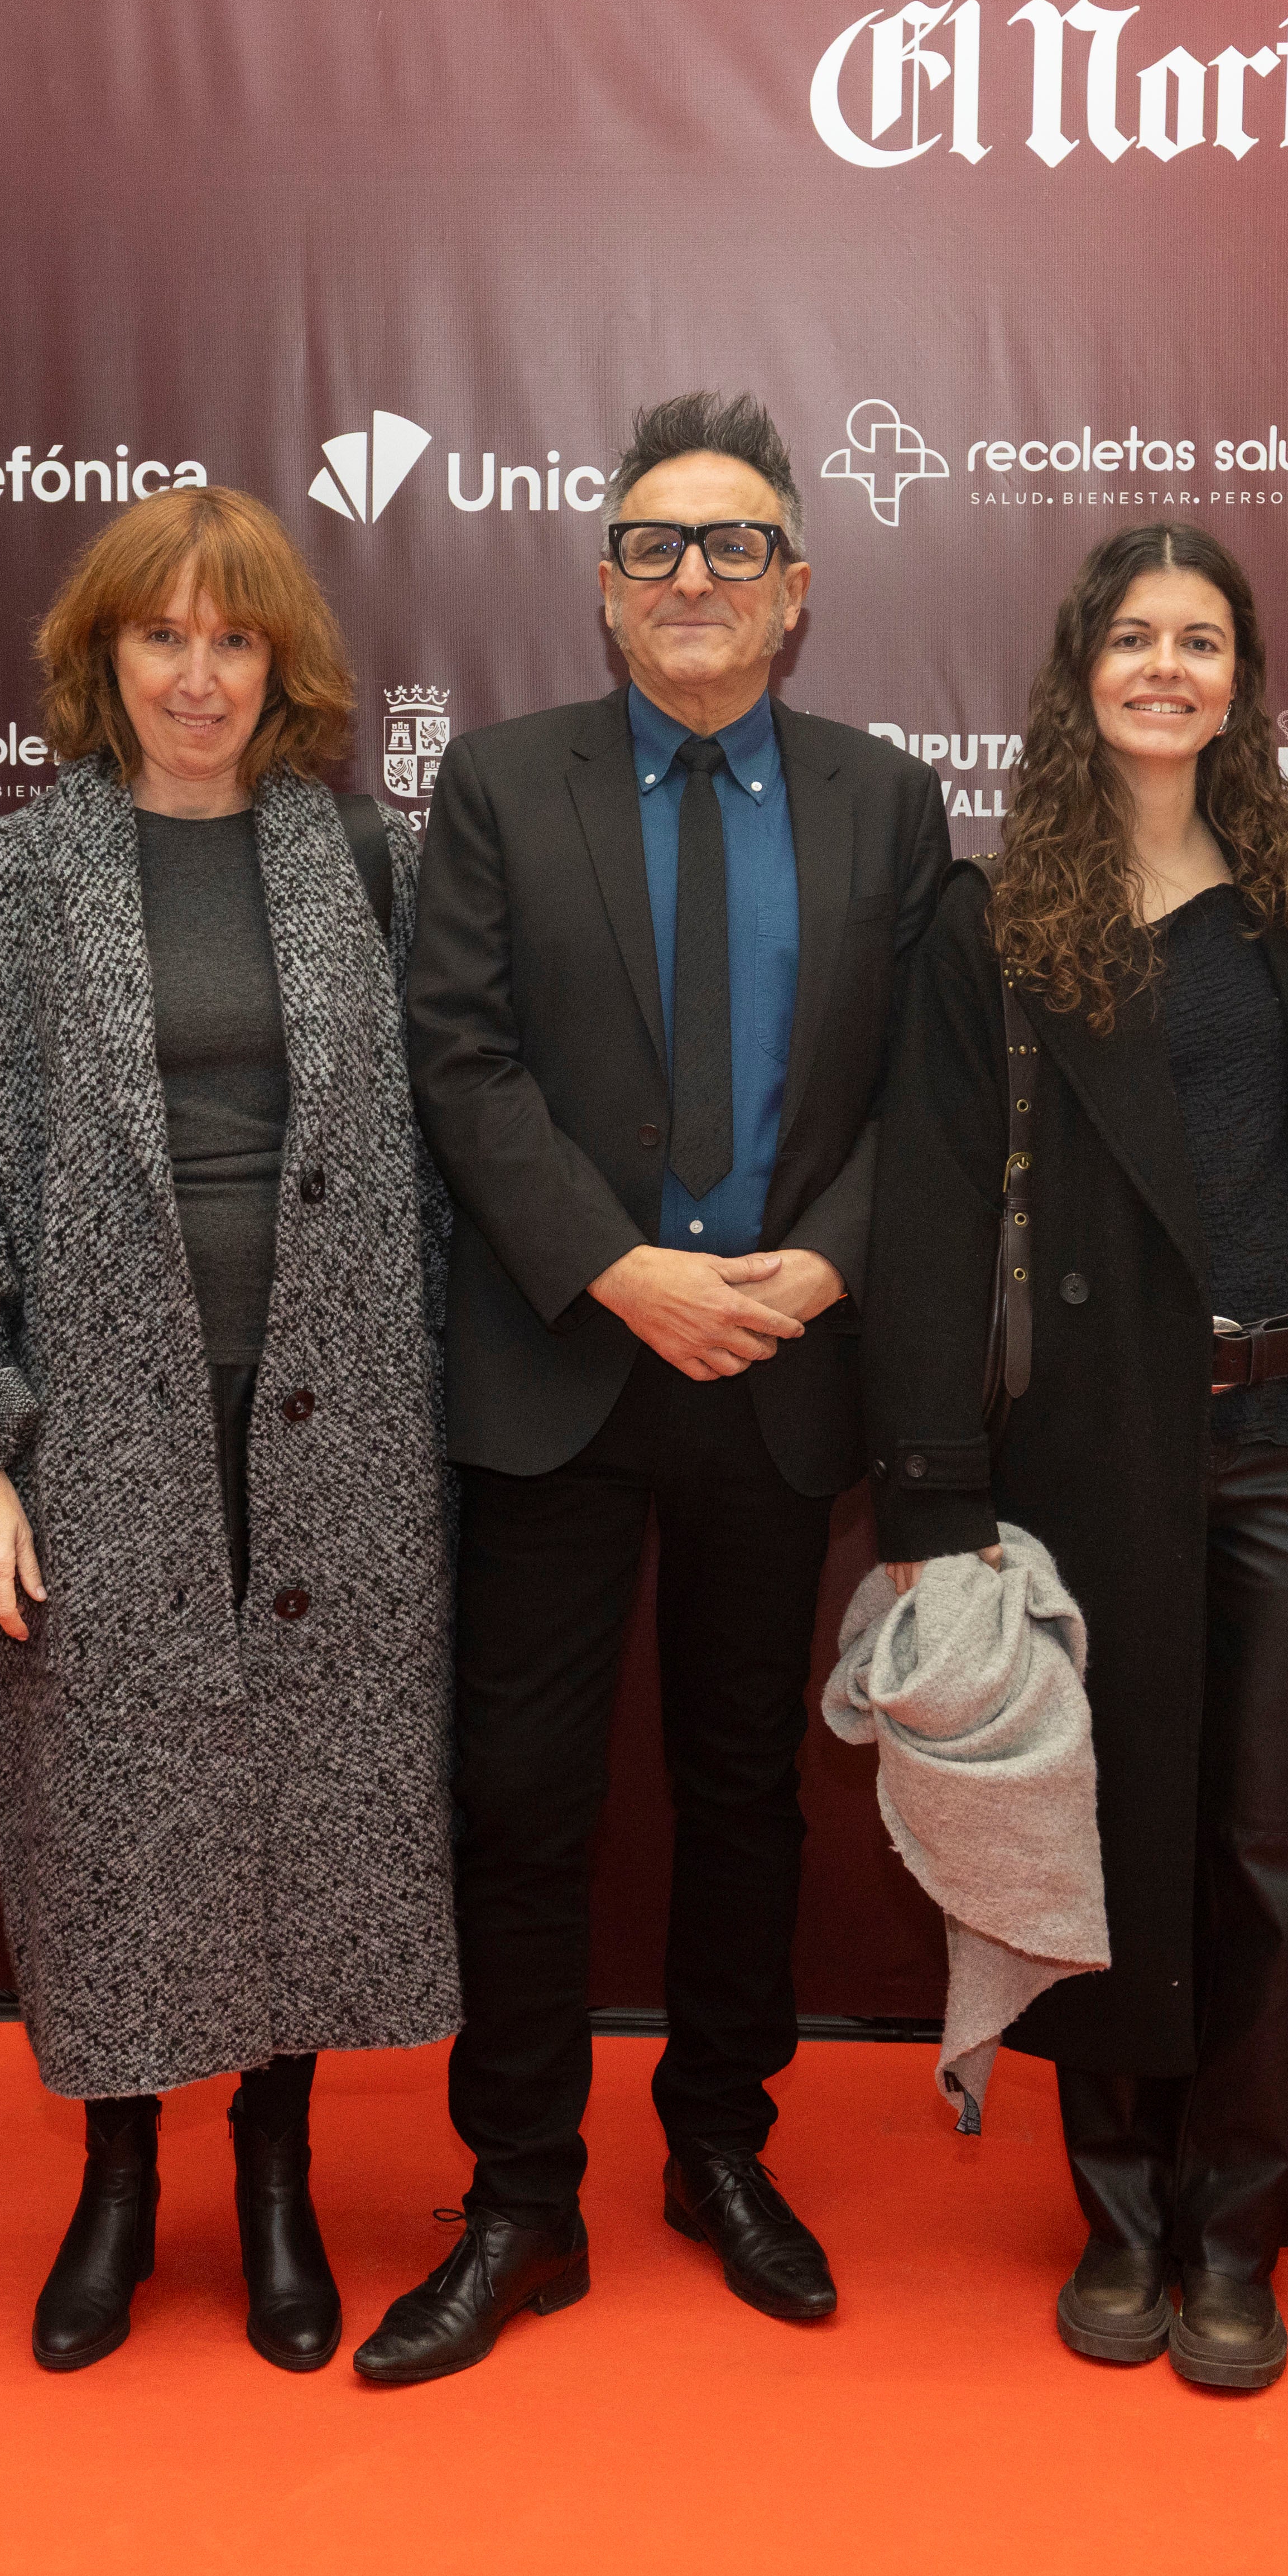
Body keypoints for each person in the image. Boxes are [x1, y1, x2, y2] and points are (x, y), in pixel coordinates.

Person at [377, 391, 953, 2383]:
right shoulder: (499, 788)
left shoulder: (885, 801)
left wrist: (833, 1259)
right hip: (563, 1362)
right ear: (601, 591)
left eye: (729, 549)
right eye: (650, 548)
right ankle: (519, 2190)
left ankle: (719, 2140)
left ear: (795, 594)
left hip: (782, 1372)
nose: (688, 578)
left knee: (742, 1793)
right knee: (522, 1798)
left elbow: (923, 1089)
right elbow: (453, 1055)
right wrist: (619, 1272)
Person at [0, 484, 458, 2377]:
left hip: (337, 1418)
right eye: (162, 636)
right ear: (102, 658)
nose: (198, 675)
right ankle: (119, 2179)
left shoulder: (364, 866)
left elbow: (442, 1163)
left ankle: (279, 2174)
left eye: (234, 639)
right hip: (96, 1422)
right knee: (112, 1806)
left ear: (281, 664)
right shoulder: (7, 881)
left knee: (303, 1787)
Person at [865, 522, 1288, 2393]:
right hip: (1086, 1442)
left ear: (1243, 680)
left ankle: (1237, 2230)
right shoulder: (993, 920)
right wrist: (928, 1487)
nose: (1168, 667)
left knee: (1273, 1852)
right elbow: (924, 1211)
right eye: (1135, 637)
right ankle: (1117, 2210)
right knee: (1099, 1831)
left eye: (1205, 641)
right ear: (1079, 669)